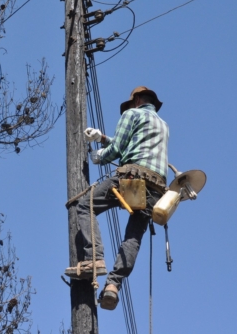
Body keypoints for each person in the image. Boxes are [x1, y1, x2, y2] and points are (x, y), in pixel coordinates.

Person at [65, 86, 169, 311]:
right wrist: (102, 138)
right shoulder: (163, 125)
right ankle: (113, 286)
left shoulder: (131, 114)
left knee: (85, 205)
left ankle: (94, 257)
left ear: (137, 100)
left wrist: (99, 156)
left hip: (132, 179)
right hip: (156, 191)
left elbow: (119, 149)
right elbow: (133, 146)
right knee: (133, 237)